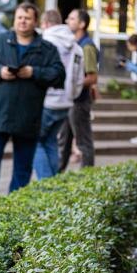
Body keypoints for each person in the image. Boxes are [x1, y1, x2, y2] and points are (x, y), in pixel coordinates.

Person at [0, 2, 65, 209]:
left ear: (36, 22)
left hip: (27, 119)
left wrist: (34, 72)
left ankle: (15, 207)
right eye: (19, 17)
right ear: (15, 19)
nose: (22, 21)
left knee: (23, 167)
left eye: (27, 18)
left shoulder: (46, 49)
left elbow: (59, 75)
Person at [34, 9, 84, 179]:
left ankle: (45, 185)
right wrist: (71, 95)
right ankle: (53, 182)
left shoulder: (44, 42)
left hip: (47, 101)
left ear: (46, 23)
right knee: (50, 142)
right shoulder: (76, 47)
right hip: (66, 103)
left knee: (35, 141)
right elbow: (79, 80)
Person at [58, 9, 99, 171]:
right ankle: (55, 175)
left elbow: (92, 77)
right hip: (70, 100)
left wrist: (72, 84)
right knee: (64, 140)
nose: (68, 20)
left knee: (83, 142)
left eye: (72, 18)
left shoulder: (87, 46)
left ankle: (87, 178)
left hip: (79, 102)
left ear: (82, 24)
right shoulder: (74, 43)